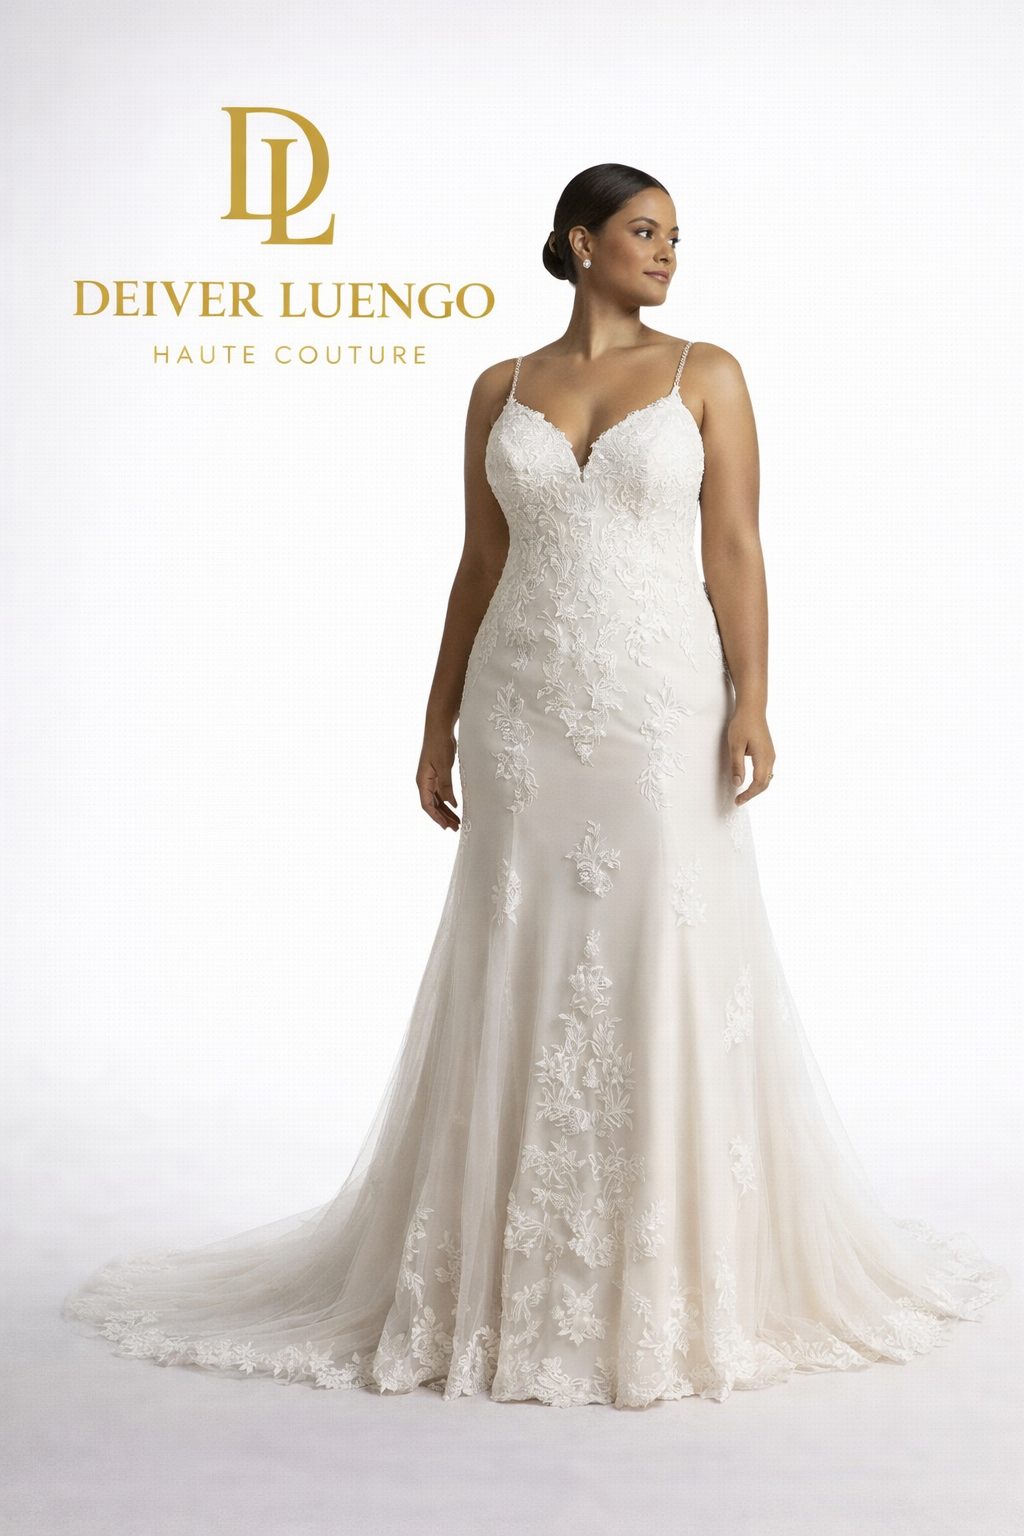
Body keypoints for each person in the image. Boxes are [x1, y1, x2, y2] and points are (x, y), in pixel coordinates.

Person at [62, 163, 1009, 1407]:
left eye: (674, 236)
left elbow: (734, 545)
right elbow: (480, 558)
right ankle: (495, 1276)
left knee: (660, 945)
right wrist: (437, 715)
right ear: (579, 242)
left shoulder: (707, 373)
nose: (666, 252)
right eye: (643, 231)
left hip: (659, 703)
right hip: (521, 707)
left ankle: (670, 1273)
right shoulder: (497, 387)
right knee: (517, 944)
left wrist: (754, 698)